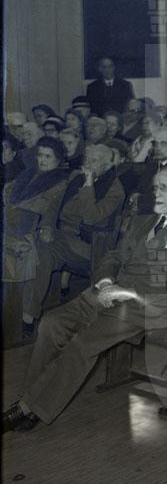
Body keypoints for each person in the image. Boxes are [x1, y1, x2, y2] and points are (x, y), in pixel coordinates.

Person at [2, 168, 167, 431]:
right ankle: (30, 400)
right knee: (51, 323)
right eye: (155, 187)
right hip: (109, 292)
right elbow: (113, 256)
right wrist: (106, 282)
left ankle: (27, 408)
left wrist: (126, 292)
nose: (156, 192)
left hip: (146, 304)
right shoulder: (141, 221)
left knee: (83, 343)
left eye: (163, 187)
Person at [25, 144, 126, 324]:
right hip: (60, 236)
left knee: (40, 249)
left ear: (107, 165)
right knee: (40, 250)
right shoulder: (75, 177)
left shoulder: (115, 189)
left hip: (87, 246)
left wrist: (88, 186)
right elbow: (54, 205)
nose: (88, 164)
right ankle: (29, 312)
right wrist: (46, 226)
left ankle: (28, 314)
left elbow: (91, 218)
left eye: (94, 161)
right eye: (87, 159)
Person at [3, 137, 70, 342]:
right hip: (17, 222)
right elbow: (10, 192)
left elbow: (48, 207)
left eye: (48, 156)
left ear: (58, 160)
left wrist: (14, 207)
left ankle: (26, 316)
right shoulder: (29, 173)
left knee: (31, 254)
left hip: (35, 227)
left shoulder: (60, 180)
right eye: (40, 155)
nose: (42, 160)